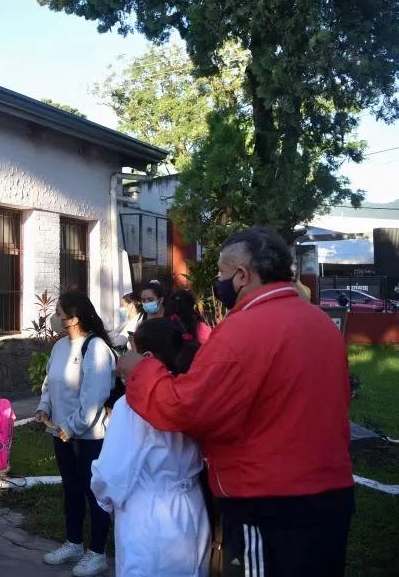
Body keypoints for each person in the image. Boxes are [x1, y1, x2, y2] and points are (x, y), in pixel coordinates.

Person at [117, 227, 355, 577]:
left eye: (220, 273)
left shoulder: (243, 329)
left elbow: (188, 408)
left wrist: (143, 370)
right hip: (330, 497)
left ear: (242, 275)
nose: (217, 281)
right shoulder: (320, 322)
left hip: (269, 502)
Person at [91, 317, 210, 577]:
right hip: (192, 511)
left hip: (149, 516)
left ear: (146, 356)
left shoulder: (132, 406)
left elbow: (112, 472)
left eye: (131, 350)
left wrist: (107, 501)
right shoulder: (190, 395)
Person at [34, 291, 116, 576]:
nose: (55, 318)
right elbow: (49, 384)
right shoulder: (59, 347)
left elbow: (93, 398)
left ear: (75, 318)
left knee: (93, 494)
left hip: (89, 438)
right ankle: (73, 543)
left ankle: (97, 552)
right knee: (71, 490)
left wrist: (70, 427)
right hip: (61, 434)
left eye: (59, 313)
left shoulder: (95, 349)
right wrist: (44, 408)